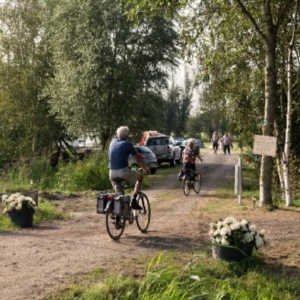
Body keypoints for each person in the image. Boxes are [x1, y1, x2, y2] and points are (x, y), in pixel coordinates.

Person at [108, 126, 150, 209]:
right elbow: (137, 160)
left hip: (111, 172)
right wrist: (146, 169)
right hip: (123, 171)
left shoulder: (112, 143)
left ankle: (119, 213)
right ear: (127, 136)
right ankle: (134, 201)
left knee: (119, 194)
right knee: (140, 178)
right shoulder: (127, 144)